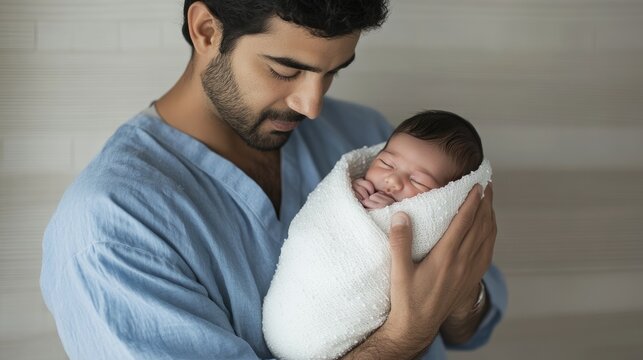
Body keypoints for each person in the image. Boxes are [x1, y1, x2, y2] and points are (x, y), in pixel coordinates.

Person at [40, 1, 506, 359]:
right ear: (206, 30)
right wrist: (402, 338)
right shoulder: (112, 232)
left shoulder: (372, 142)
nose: (312, 105)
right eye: (286, 70)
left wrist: (463, 298)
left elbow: (472, 326)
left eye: (333, 73)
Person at [262, 110, 494, 359]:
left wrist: (463, 297)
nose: (392, 180)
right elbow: (331, 215)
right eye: (385, 164)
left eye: (419, 183)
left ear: (446, 195)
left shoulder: (369, 126)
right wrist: (351, 198)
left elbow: (469, 330)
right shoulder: (373, 164)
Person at [352, 110, 485, 210]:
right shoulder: (354, 185)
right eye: (386, 164)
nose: (393, 180)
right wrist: (349, 196)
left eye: (417, 181)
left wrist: (389, 215)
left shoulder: (424, 220)